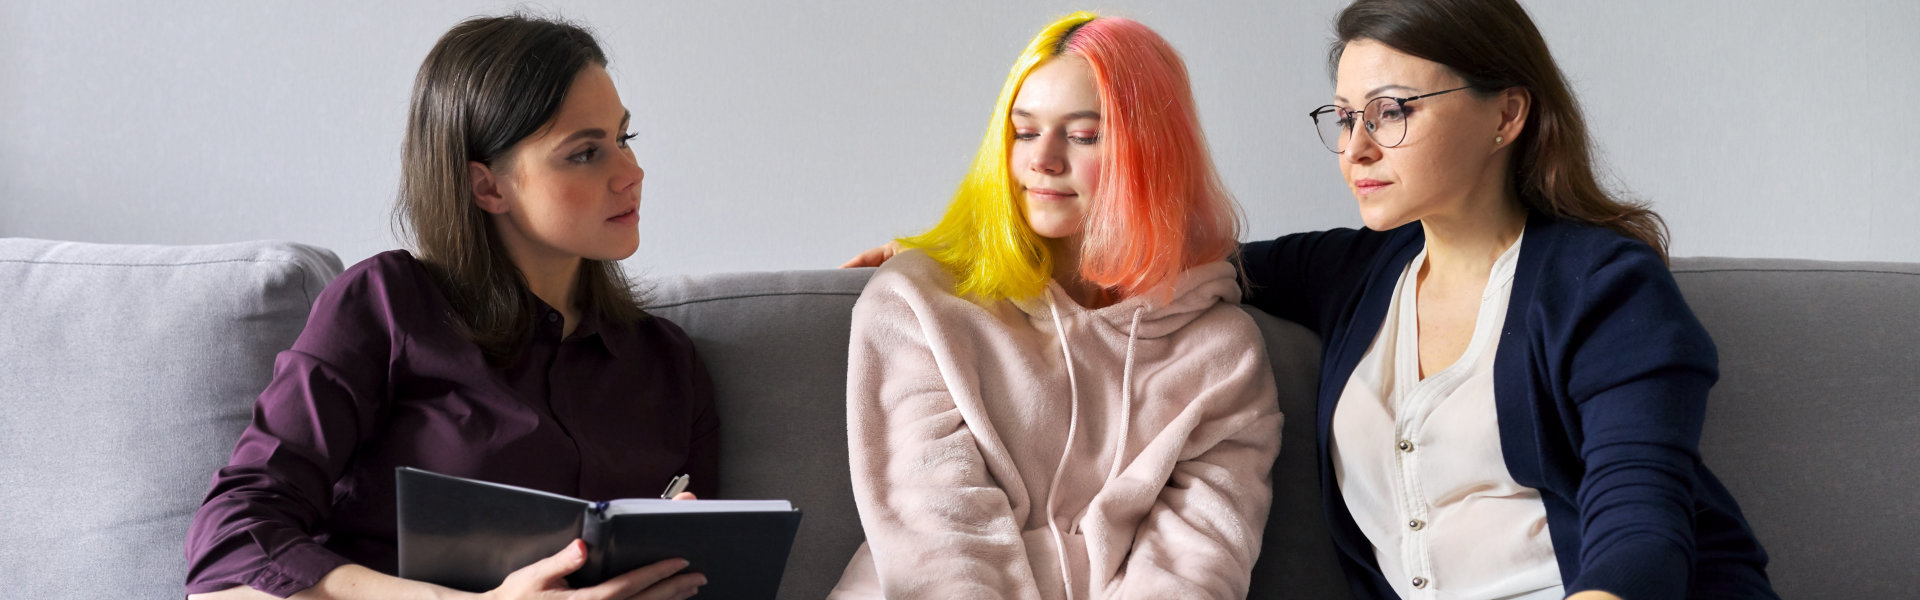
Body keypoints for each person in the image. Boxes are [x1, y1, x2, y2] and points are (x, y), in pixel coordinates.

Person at [847, 1, 1779, 598]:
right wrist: (969, 252)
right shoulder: (1358, 274)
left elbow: (1641, 528)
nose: (1357, 148)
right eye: (1344, 116)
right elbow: (1172, 257)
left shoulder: (1607, 291)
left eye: (1394, 111)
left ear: (1507, 113)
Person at [184, 15, 716, 600]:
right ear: (487, 187)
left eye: (624, 139)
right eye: (586, 153)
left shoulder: (668, 362)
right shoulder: (385, 306)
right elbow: (231, 542)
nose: (631, 173)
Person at [828, 12, 1283, 600]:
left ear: (1153, 154)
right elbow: (937, 529)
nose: (1042, 159)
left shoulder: (1224, 351)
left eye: (1085, 135)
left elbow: (1197, 558)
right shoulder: (918, 301)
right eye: (1023, 132)